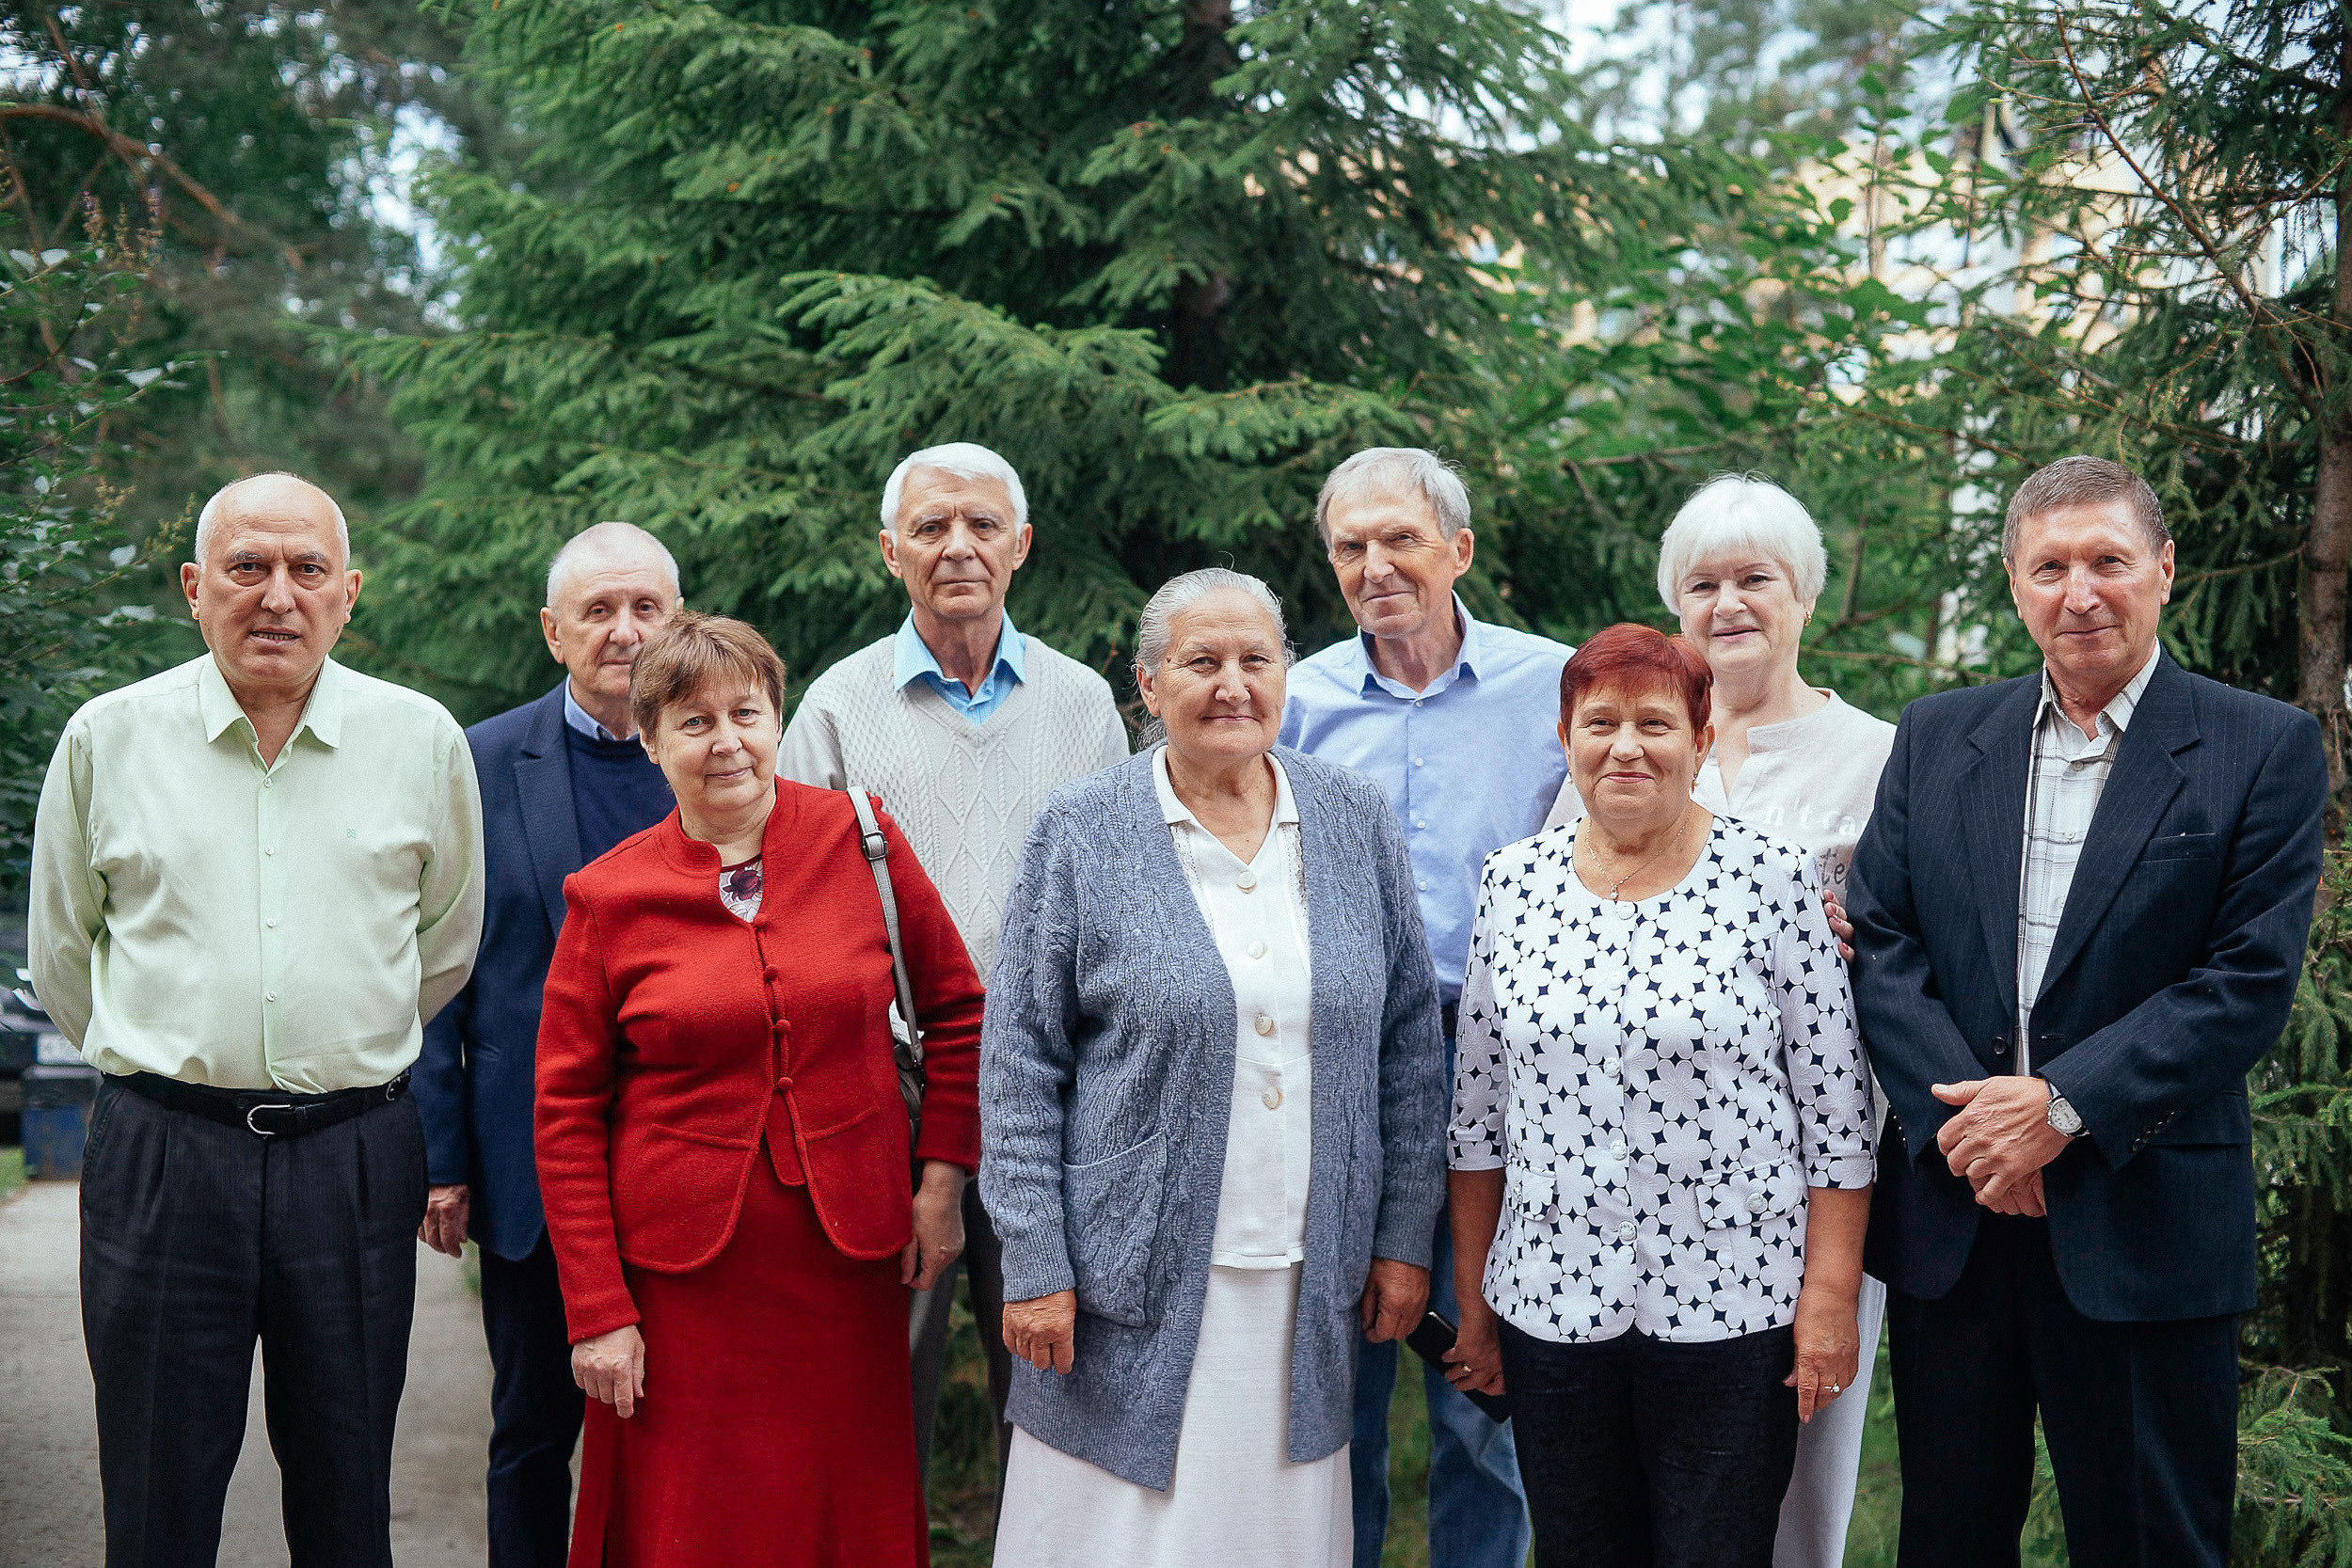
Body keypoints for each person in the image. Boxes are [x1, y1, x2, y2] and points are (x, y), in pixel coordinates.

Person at [1848, 455, 2328, 1567]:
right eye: (2049, 565)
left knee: (2151, 1540)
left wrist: (2060, 1108)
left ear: (2162, 570)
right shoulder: (1935, 734)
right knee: (1949, 1540)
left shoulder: (2259, 746)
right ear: (2015, 584)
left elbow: (2245, 977)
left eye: (2108, 560)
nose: (2081, 591)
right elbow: (1881, 940)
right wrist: (1978, 1133)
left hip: (2140, 1216)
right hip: (1957, 1222)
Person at [30, 471, 485, 1568]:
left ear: (348, 593)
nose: (275, 594)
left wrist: (340, 1044)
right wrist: (178, 1065)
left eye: (305, 569)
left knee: (344, 1495)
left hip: (352, 1156)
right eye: (246, 567)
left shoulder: (420, 741)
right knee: (155, 1489)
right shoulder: (108, 737)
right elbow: (60, 954)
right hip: (163, 1154)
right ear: (195, 587)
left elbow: (444, 944)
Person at [983, 568, 1447, 1567]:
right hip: (1120, 1278)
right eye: (1201, 661)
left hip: (1305, 1266)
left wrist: (1405, 1235)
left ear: (1286, 674)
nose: (1231, 683)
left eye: (1255, 659)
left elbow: (1410, 1043)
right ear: (1148, 685)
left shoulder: (1351, 818)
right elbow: (1019, 1060)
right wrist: (1034, 1264)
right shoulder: (1081, 828)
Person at [533, 611, 983, 1568]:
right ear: (650, 742)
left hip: (846, 1261)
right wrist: (598, 1310)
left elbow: (959, 1010)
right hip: (682, 1283)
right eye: (693, 722)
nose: (726, 739)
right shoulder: (608, 897)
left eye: (746, 711)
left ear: (778, 718)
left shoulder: (861, 840)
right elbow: (565, 1117)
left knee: (839, 1504)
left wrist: (939, 1185)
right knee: (695, 1518)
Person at [1447, 622, 1875, 1568]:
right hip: (1552, 1300)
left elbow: (1838, 1120)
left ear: (1701, 737)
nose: (1626, 745)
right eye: (1599, 721)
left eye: (1654, 721)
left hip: (1736, 1303)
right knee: (1576, 1547)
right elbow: (1476, 1120)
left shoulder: (1772, 880)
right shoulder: (1511, 884)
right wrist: (1476, 1308)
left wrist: (1829, 1299)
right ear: (1565, 738)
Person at [1543, 475, 1896, 1566]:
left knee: (1792, 1478)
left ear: (1806, 596)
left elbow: (1922, 944)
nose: (1729, 601)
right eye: (1703, 583)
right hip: (1616, 1201)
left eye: (1756, 578)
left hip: (1808, 1177)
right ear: (1674, 603)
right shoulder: (1622, 749)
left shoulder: (1879, 756)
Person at [778, 440, 1128, 1485]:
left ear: (1021, 545)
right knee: (880, 1388)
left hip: (1056, 1096)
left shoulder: (1081, 705)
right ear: (892, 552)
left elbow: (1116, 904)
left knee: (1060, 1385)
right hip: (892, 1094)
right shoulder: (837, 706)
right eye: (931, 527)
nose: (957, 546)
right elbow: (795, 914)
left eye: (981, 524)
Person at [1279, 446, 1564, 1568]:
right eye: (1350, 546)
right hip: (1332, 1070)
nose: (1375, 564)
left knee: (1482, 1383)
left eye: (1399, 538)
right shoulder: (1290, 700)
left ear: (1458, 548)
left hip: (1502, 1064)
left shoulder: (1551, 686)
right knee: (1332, 1384)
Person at [414, 521, 683, 1568]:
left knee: (669, 1424)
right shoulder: (479, 761)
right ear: (551, 631)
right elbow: (439, 972)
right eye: (598, 612)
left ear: (677, 618)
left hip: (685, 1163)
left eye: (646, 608)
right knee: (533, 1427)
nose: (624, 631)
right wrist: (440, 1158)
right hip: (531, 1166)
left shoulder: (718, 752)